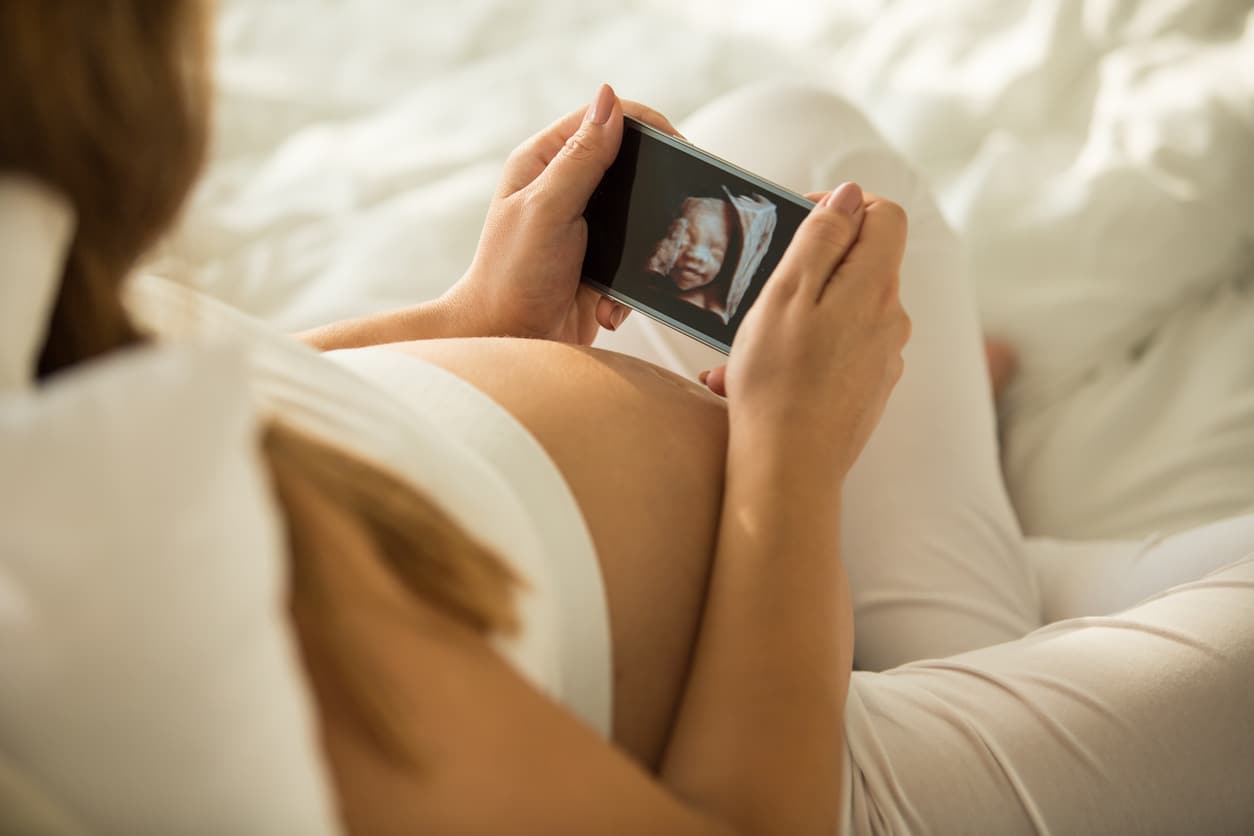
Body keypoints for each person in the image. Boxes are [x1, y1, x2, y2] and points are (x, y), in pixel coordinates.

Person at [3, 4, 1252, 835]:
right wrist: (794, 455)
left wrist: (470, 319)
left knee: (790, 138)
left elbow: (208, 380)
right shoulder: (122, 606)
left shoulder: (36, 309)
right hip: (778, 746)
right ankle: (950, 604)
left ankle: (954, 569)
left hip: (735, 546)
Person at [644, 189, 777, 323]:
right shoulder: (651, 291)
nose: (696, 255)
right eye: (684, 242)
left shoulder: (711, 310)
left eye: (715, 252)